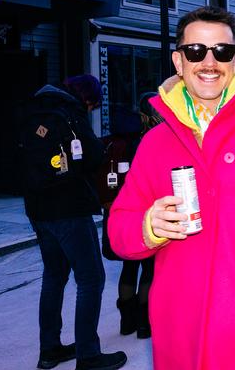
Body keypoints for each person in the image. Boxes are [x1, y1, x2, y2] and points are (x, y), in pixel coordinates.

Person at [108, 6, 235, 370]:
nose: (208, 62)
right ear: (178, 61)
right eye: (195, 51)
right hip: (177, 339)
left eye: (220, 52)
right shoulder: (156, 143)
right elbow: (119, 230)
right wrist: (148, 226)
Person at [20, 75, 126, 370]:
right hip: (69, 207)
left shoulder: (34, 110)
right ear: (86, 97)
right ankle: (89, 355)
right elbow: (92, 156)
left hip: (38, 210)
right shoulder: (70, 113)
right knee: (91, 279)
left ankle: (49, 349)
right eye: (93, 103)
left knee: (54, 276)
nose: (92, 108)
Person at [97, 101, 159, 339]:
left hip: (119, 209)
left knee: (128, 266)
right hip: (144, 208)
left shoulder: (113, 141)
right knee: (149, 269)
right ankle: (144, 324)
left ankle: (126, 322)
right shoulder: (148, 140)